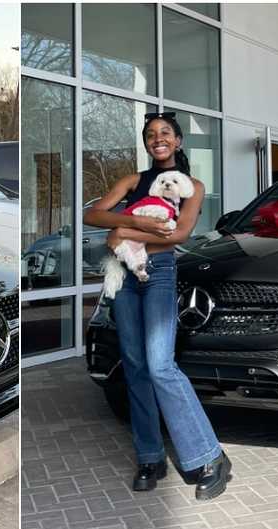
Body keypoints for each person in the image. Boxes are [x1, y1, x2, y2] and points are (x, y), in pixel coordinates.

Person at [82, 112, 231, 500]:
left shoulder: (193, 186)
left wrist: (127, 230)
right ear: (147, 144)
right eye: (151, 134)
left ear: (178, 141)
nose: (158, 138)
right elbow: (92, 214)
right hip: (126, 276)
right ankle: (150, 456)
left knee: (161, 364)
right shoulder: (134, 181)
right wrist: (137, 225)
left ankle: (209, 455)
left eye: (165, 133)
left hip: (161, 273)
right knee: (134, 366)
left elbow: (179, 233)